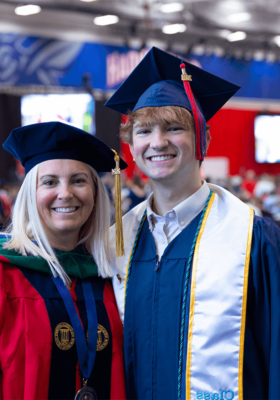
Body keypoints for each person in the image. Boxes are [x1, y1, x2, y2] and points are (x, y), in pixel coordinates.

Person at [105, 47, 280, 399]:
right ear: (131, 145)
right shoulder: (116, 241)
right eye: (144, 131)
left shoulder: (254, 237)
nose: (158, 142)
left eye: (174, 128)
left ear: (204, 137)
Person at [0, 121, 127, 400]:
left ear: (95, 194)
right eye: (49, 182)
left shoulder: (110, 275)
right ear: (30, 195)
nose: (65, 193)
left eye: (78, 180)